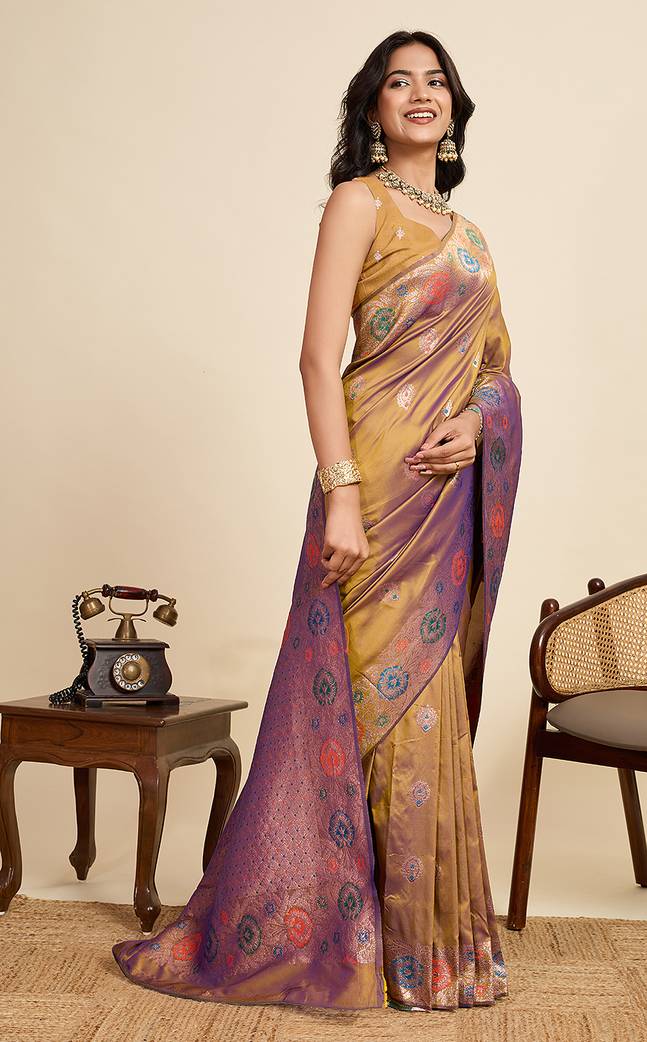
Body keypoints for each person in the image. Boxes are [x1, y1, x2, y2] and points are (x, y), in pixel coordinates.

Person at [112, 29, 523, 1012]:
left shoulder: (471, 238)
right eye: (398, 81)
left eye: (435, 81)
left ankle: (427, 948)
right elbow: (314, 356)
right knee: (366, 705)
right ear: (373, 107)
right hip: (373, 484)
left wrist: (479, 421)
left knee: (424, 703)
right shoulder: (358, 203)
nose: (419, 93)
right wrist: (340, 491)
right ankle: (351, 939)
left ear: (453, 108)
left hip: (443, 502)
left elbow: (497, 367)